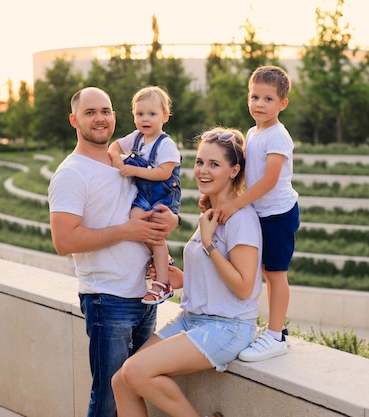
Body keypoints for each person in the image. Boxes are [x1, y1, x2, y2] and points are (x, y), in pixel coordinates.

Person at [111, 128, 263, 417]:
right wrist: (172, 275)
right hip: (191, 319)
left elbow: (244, 287)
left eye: (214, 164)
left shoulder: (241, 220)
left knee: (136, 371)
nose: (203, 171)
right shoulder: (210, 213)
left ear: (234, 171)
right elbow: (209, 277)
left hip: (227, 326)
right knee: (121, 380)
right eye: (200, 162)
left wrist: (208, 244)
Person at [48, 86, 179, 417]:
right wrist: (128, 231)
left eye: (105, 111)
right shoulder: (71, 173)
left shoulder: (125, 160)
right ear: (74, 120)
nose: (100, 118)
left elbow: (152, 202)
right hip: (107, 300)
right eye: (90, 112)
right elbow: (64, 241)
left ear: (115, 117)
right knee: (107, 399)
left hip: (143, 297)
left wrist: (169, 222)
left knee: (130, 393)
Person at [214, 65, 300, 362]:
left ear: (282, 103)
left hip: (278, 214)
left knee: (276, 275)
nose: (259, 104)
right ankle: (274, 327)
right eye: (254, 97)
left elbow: (268, 180)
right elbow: (248, 174)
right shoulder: (253, 132)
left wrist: (235, 204)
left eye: (268, 99)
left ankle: (276, 336)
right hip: (260, 212)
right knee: (265, 272)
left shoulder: (278, 136)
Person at [107, 86, 182, 305]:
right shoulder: (137, 138)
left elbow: (164, 172)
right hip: (144, 195)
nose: (145, 119)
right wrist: (116, 157)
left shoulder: (165, 144)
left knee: (155, 236)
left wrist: (134, 170)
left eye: (152, 114)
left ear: (165, 117)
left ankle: (163, 284)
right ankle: (161, 259)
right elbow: (115, 146)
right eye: (140, 114)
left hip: (163, 196)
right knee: (136, 221)